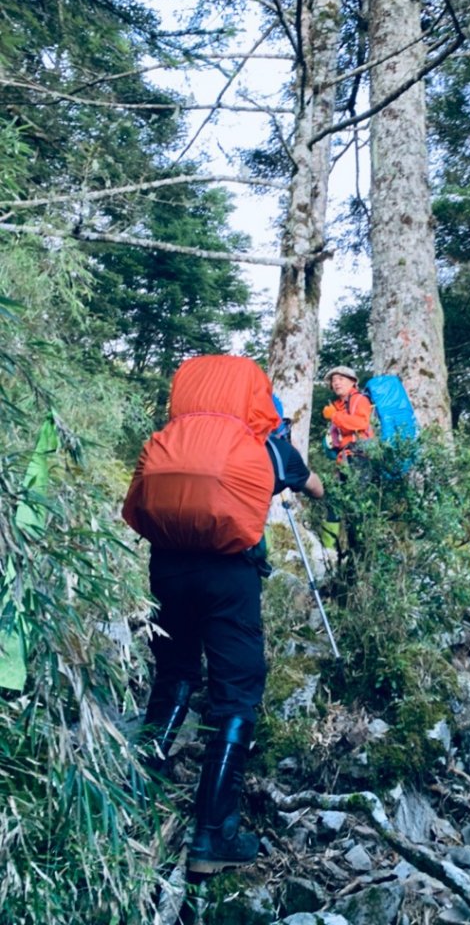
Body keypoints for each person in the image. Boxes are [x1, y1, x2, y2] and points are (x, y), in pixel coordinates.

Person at [122, 355, 323, 875]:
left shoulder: (170, 438)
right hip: (228, 574)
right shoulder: (264, 445)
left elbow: (138, 504)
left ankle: (136, 792)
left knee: (175, 673)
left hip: (167, 568)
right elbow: (312, 485)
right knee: (236, 688)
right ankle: (214, 835)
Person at [320, 366, 373, 551]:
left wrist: (334, 416)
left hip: (359, 459)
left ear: (352, 381)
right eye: (333, 380)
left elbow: (361, 423)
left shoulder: (359, 399)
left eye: (341, 379)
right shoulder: (339, 405)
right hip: (343, 461)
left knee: (355, 506)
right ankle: (328, 551)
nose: (336, 383)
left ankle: (358, 551)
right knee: (333, 503)